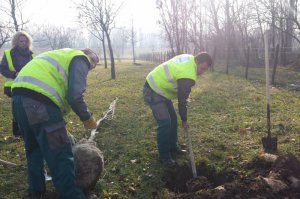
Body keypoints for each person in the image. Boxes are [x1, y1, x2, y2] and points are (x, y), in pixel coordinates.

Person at [11, 48, 99, 199]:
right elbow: (75, 96)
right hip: (39, 103)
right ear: (85, 52)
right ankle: (73, 196)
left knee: (33, 150)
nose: (93, 64)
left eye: (96, 63)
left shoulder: (58, 55)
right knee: (60, 155)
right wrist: (88, 119)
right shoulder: (80, 58)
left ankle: (35, 191)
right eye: (94, 59)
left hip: (17, 99)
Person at [143, 53, 212, 167]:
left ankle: (173, 146)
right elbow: (182, 100)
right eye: (202, 68)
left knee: (173, 120)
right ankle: (164, 156)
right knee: (165, 123)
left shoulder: (190, 59)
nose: (202, 72)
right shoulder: (187, 74)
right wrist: (184, 120)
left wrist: (181, 118)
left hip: (161, 90)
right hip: (153, 89)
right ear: (197, 61)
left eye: (205, 70)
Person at [0, 31, 35, 138]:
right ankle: (17, 133)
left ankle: (29, 130)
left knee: (31, 108)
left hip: (30, 86)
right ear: (16, 41)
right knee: (17, 110)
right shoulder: (9, 54)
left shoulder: (32, 55)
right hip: (14, 86)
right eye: (21, 41)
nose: (23, 43)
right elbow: (2, 68)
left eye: (25, 41)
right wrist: (14, 74)